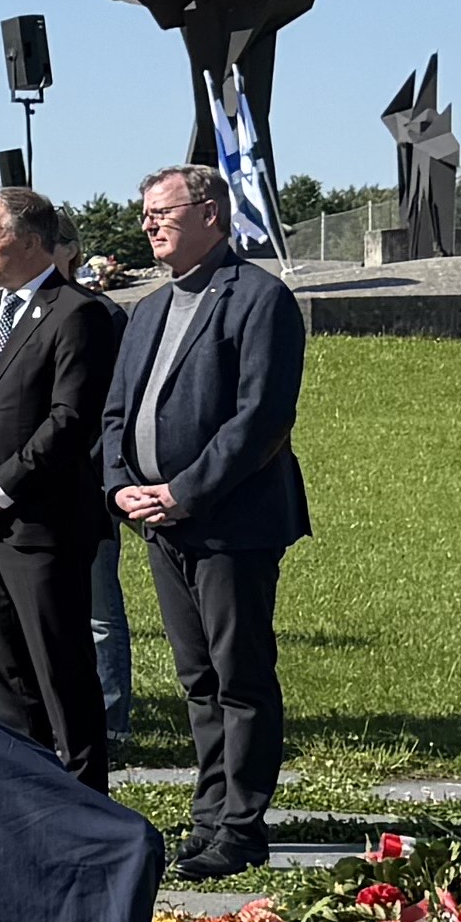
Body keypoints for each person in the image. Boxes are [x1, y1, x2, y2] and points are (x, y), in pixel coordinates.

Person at [101, 162, 312, 875]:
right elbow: (116, 414)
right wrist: (121, 486)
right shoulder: (149, 309)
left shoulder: (259, 299)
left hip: (231, 521)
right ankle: (209, 814)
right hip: (160, 520)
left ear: (211, 214)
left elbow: (260, 420)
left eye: (162, 212)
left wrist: (186, 490)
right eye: (145, 215)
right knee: (197, 677)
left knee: (240, 676)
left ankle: (242, 827)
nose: (150, 225)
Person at [0, 185, 121, 786]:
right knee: (6, 675)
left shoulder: (77, 314)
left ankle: (84, 803)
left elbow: (71, 420)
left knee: (59, 670)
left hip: (41, 525)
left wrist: (0, 486)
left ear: (29, 240)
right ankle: (26, 797)